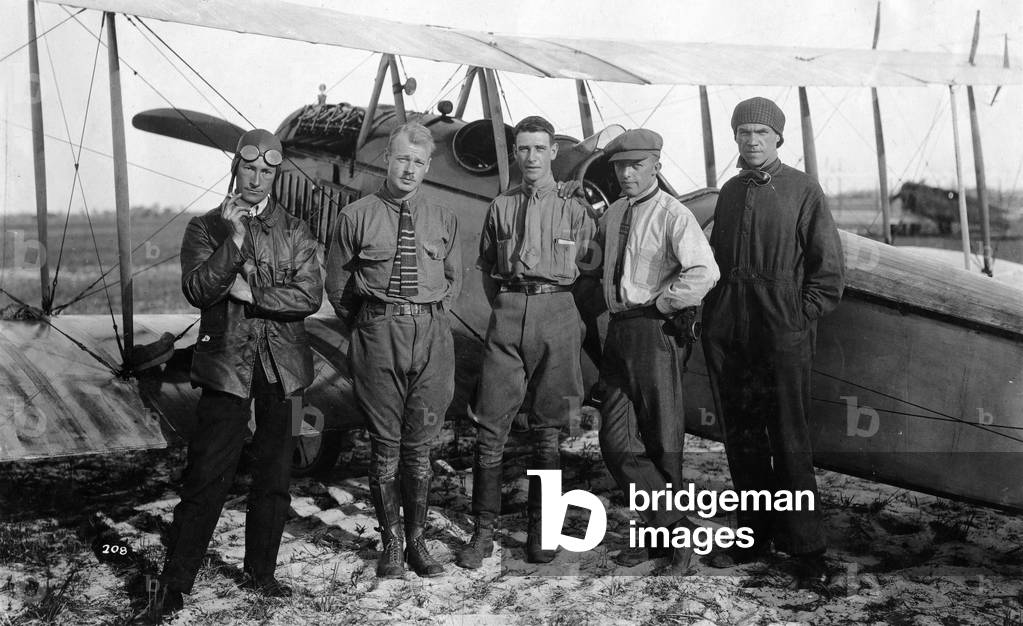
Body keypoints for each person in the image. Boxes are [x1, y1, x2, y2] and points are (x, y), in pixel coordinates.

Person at [155, 129, 323, 618]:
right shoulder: (205, 227)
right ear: (236, 167)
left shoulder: (296, 227)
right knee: (208, 474)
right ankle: (174, 583)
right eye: (249, 168)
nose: (256, 178)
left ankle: (261, 573)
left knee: (276, 473)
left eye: (267, 171)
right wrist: (235, 241)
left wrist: (256, 296)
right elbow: (200, 290)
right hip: (226, 366)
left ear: (275, 174)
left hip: (287, 371)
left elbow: (309, 296)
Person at [702, 97, 845, 588]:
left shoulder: (804, 189)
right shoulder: (730, 192)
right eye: (744, 132)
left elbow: (828, 272)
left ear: (779, 138)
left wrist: (798, 317)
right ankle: (754, 536)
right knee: (741, 437)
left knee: (789, 437)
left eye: (761, 132)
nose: (752, 140)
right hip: (731, 326)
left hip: (782, 328)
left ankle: (807, 549)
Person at [455, 115, 596, 569]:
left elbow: (590, 270)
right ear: (515, 153)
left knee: (548, 432)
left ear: (554, 151)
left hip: (558, 312)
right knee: (490, 426)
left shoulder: (576, 209)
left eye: (540, 148)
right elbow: (485, 268)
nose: (531, 157)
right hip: (510, 311)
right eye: (523, 149)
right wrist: (508, 306)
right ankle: (482, 534)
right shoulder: (500, 206)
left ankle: (542, 533)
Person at [325, 121, 462, 579]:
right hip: (378, 333)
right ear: (388, 158)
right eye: (403, 158)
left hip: (431, 336)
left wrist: (429, 320)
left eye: (419, 162)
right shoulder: (356, 216)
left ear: (427, 167)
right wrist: (371, 324)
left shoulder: (443, 218)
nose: (410, 169)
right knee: (385, 445)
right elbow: (339, 286)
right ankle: (393, 545)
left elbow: (453, 281)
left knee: (419, 446)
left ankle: (419, 542)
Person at [595, 128, 719, 575]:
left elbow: (705, 272)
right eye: (620, 167)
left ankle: (670, 544)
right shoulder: (614, 214)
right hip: (620, 332)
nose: (627, 174)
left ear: (655, 167)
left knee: (664, 442)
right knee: (615, 442)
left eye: (636, 166)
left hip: (654, 332)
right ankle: (672, 529)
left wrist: (664, 304)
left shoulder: (673, 215)